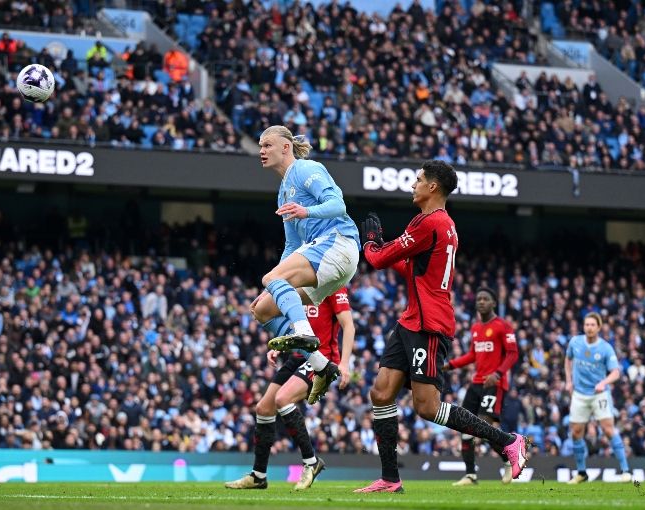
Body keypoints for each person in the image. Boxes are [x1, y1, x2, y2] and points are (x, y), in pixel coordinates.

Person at [355, 160, 529, 493]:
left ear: (432, 187)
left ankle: (508, 441)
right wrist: (385, 252)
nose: (413, 184)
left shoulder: (428, 223)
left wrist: (372, 243)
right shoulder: (444, 224)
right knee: (380, 392)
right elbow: (414, 271)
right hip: (412, 320)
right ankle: (390, 479)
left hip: (429, 325)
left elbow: (377, 260)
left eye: (418, 179)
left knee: (427, 407)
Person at [250, 125, 360, 404]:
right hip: (323, 257)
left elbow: (338, 205)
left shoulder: (305, 169)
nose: (261, 151)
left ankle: (303, 333)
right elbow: (291, 245)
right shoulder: (283, 191)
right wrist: (275, 284)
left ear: (285, 147)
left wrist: (306, 210)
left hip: (338, 244)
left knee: (270, 280)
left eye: (267, 145)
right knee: (262, 308)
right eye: (260, 146)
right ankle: (320, 366)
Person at [225, 288, 354, 491]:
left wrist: (345, 363)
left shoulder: (333, 284)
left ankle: (311, 463)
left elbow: (349, 325)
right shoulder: (300, 285)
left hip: (322, 358)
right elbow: (296, 326)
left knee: (283, 399)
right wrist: (279, 347)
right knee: (263, 409)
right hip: (297, 355)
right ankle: (258, 476)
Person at [442, 287, 519, 485]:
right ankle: (470, 474)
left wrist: (498, 374)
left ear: (494, 303)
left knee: (484, 426)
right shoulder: (475, 328)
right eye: (479, 299)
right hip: (476, 383)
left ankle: (508, 461)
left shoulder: (503, 326)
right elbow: (472, 356)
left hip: (495, 384)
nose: (481, 302)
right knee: (465, 426)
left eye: (485, 299)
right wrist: (450, 365)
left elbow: (513, 353)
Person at [564, 312, 631, 484]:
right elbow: (568, 359)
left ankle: (625, 470)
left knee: (608, 430)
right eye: (587, 324)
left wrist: (604, 382)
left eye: (593, 325)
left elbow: (616, 372)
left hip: (599, 394)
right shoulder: (575, 342)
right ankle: (581, 473)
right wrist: (569, 380)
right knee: (577, 432)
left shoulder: (606, 348)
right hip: (579, 393)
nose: (589, 328)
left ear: (599, 327)